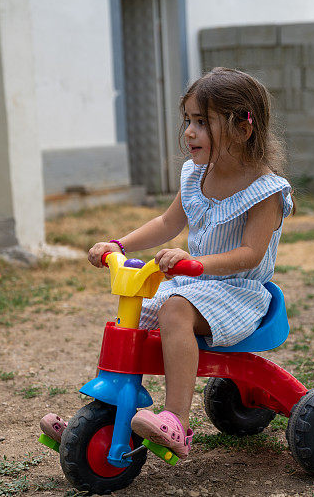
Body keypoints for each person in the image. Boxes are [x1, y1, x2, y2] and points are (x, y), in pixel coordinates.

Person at [41, 67, 293, 459]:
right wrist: (117, 244)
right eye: (188, 121)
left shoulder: (265, 190)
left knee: (174, 310)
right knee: (136, 314)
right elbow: (167, 223)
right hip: (195, 286)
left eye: (202, 122)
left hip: (238, 294)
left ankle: (176, 420)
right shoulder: (196, 176)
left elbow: (250, 255)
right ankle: (105, 416)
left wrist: (196, 263)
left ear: (242, 129)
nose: (189, 132)